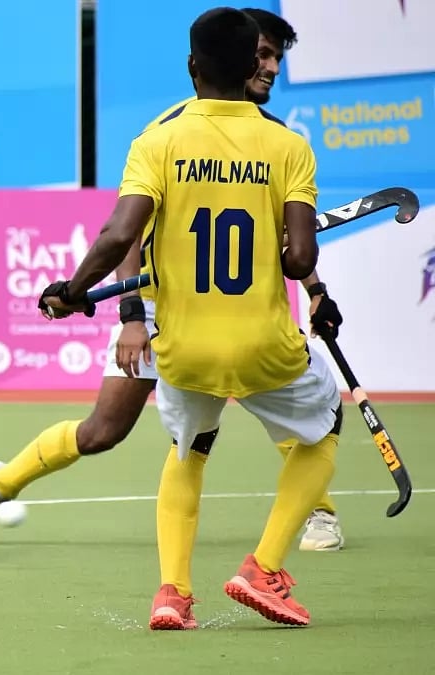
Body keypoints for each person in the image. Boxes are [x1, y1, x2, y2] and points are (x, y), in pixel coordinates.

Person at [0, 6, 347, 554]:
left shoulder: (278, 141)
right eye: (262, 55)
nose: (271, 68)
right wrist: (133, 316)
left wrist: (316, 292)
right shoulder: (166, 133)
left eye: (277, 57)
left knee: (287, 409)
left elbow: (286, 237)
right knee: (102, 432)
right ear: (232, 61)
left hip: (240, 311)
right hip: (165, 311)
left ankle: (317, 512)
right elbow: (128, 235)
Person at [39, 6, 342, 629]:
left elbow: (118, 233)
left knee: (189, 452)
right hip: (263, 346)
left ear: (193, 68)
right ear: (251, 65)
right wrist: (288, 255)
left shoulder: (158, 141)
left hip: (181, 349)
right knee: (324, 429)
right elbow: (300, 258)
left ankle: (172, 593)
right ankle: (264, 569)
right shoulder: (289, 145)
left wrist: (73, 291)